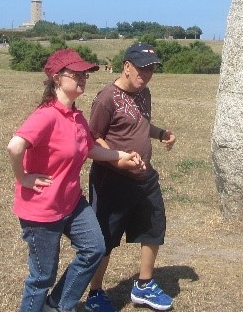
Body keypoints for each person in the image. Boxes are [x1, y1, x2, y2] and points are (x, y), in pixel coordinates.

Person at [7, 48, 144, 312]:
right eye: (75, 74)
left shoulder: (75, 115)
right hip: (42, 210)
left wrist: (120, 155)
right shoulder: (46, 115)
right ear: (57, 78)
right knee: (41, 277)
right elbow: (14, 146)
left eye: (85, 75)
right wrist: (22, 177)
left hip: (71, 202)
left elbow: (89, 148)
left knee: (94, 248)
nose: (82, 79)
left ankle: (57, 306)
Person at [85, 42, 177, 312]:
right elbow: (94, 138)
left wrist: (161, 134)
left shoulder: (144, 93)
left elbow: (141, 124)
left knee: (153, 226)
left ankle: (144, 286)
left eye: (151, 70)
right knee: (105, 237)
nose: (147, 74)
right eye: (142, 69)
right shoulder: (106, 98)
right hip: (111, 179)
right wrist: (117, 157)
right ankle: (95, 293)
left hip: (144, 175)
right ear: (126, 67)